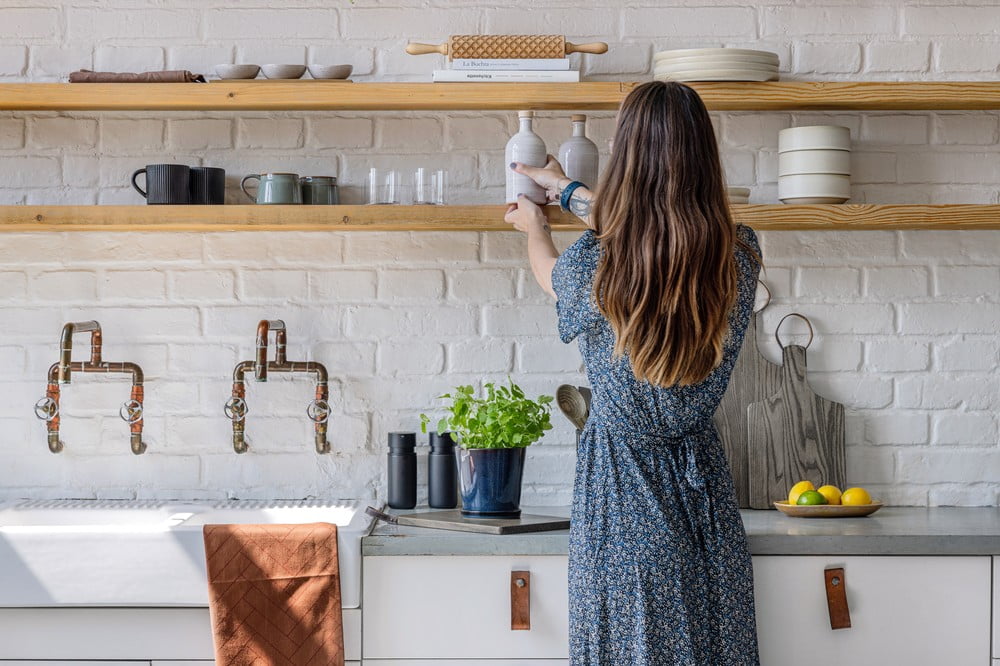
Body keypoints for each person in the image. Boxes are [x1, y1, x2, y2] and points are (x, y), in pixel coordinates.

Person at [503, 80, 762, 665]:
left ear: (629, 158)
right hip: (705, 503)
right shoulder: (738, 253)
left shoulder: (599, 262)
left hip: (621, 496)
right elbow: (659, 232)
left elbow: (555, 276)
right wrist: (566, 189)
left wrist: (537, 227)